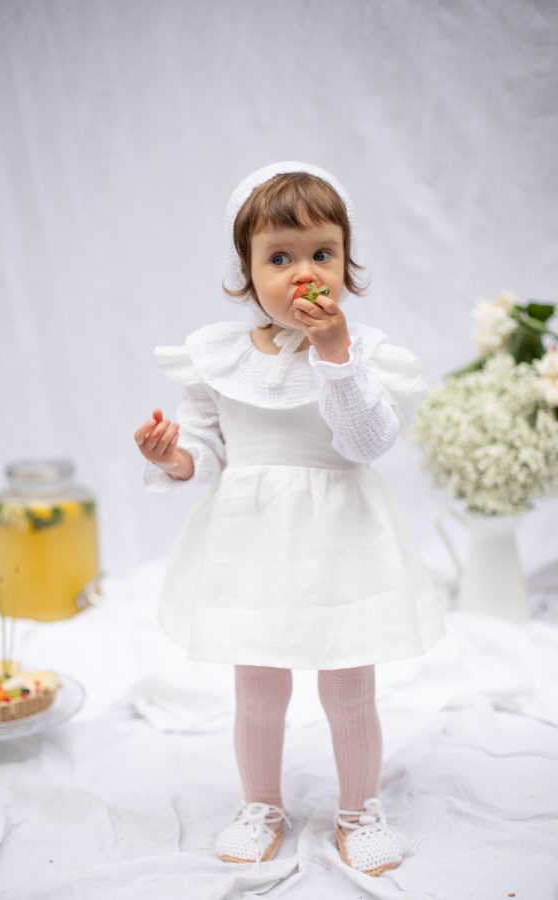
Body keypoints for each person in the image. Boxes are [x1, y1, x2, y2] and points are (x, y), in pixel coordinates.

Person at [134, 161, 446, 876]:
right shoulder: (217, 358)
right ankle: (261, 804)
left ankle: (359, 809)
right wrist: (174, 456)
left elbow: (366, 443)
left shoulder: (363, 353)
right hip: (252, 543)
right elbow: (208, 455)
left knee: (348, 685)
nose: (305, 272)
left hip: (343, 540)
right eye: (280, 257)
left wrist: (336, 356)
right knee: (259, 684)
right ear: (244, 273)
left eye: (321, 253)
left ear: (345, 263)